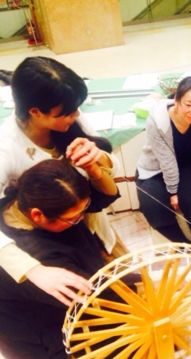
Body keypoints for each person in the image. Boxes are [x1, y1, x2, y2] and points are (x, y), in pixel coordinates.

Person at [0, 56, 123, 306]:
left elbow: (111, 173)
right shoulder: (6, 149)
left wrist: (99, 158)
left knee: (125, 284)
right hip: (54, 249)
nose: (76, 115)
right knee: (96, 304)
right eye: (66, 112)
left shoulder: (71, 117)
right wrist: (32, 269)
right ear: (35, 112)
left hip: (90, 230)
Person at [0, 159, 119, 359]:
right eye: (74, 218)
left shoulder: (23, 202)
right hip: (46, 341)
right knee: (140, 340)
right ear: (37, 215)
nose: (82, 218)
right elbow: (95, 295)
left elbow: (103, 196)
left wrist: (95, 166)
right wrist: (152, 282)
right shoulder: (39, 260)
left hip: (63, 308)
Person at [136, 77, 191, 249]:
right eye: (188, 104)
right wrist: (173, 191)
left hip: (185, 165)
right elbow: (166, 160)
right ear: (176, 100)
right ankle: (185, 247)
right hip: (154, 168)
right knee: (153, 206)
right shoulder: (157, 120)